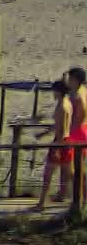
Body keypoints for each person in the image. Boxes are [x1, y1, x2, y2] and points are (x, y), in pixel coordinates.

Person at [37, 78, 77, 211]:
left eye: (54, 91)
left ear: (58, 91)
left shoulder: (62, 106)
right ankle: (78, 202)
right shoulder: (67, 103)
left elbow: (61, 128)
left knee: (48, 173)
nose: (52, 93)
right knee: (71, 175)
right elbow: (58, 125)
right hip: (67, 141)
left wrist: (57, 147)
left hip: (60, 142)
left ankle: (42, 204)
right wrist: (43, 133)